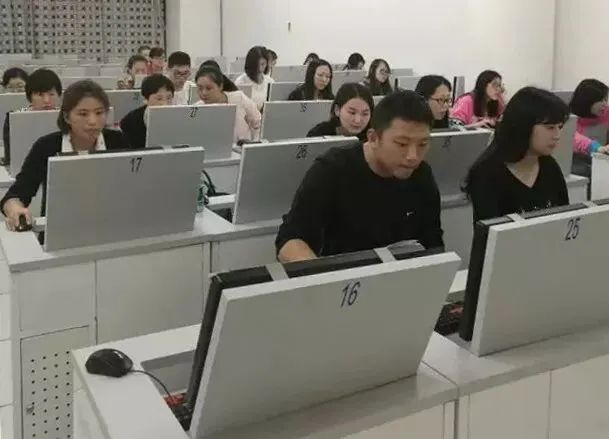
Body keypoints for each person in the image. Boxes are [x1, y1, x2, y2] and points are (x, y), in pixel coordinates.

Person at [276, 90, 443, 262]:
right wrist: (321, 273)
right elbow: (290, 239)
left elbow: (433, 243)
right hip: (344, 274)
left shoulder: (422, 174)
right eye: (402, 144)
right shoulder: (333, 169)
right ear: (373, 138)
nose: (413, 156)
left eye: (422, 144)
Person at [1, 80, 131, 229]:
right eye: (83, 114)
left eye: (99, 113)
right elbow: (15, 195)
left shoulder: (118, 141)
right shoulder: (46, 146)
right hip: (58, 230)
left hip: (110, 226)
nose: (93, 121)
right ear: (67, 117)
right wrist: (15, 209)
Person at [463, 87, 569, 224]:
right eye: (550, 128)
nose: (557, 136)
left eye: (560, 127)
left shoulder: (550, 166)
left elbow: (565, 220)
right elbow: (490, 232)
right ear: (524, 125)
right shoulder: (487, 173)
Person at [3, 68, 63, 166]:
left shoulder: (67, 117)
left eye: (51, 94)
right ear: (29, 97)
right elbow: (10, 158)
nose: (47, 100)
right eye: (40, 95)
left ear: (59, 95)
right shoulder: (13, 118)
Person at [194, 66, 261, 142]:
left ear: (220, 86)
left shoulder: (239, 98)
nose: (204, 93)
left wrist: (254, 142)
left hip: (244, 146)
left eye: (209, 88)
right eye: (200, 88)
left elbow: (258, 123)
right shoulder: (196, 109)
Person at [120, 74, 174, 150]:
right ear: (145, 99)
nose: (165, 103)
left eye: (169, 98)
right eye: (159, 99)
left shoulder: (178, 116)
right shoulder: (129, 122)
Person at [307, 83, 373, 142]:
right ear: (337, 110)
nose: (357, 120)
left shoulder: (374, 138)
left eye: (365, 114)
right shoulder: (318, 135)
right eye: (352, 112)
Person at [569, 79, 609, 156]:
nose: (605, 104)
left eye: (606, 100)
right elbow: (572, 138)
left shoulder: (607, 113)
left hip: (601, 159)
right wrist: (594, 147)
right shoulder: (569, 118)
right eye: (601, 100)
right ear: (588, 101)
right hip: (576, 159)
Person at [235, 46, 274, 110]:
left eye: (263, 64)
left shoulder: (270, 81)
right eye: (257, 65)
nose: (260, 68)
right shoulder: (240, 82)